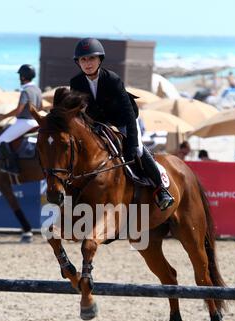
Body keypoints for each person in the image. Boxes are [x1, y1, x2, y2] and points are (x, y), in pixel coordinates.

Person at [70, 38, 174, 211]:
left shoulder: (112, 79)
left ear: (99, 60)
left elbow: (128, 112)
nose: (87, 63)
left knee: (138, 149)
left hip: (125, 119)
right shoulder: (76, 82)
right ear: (78, 62)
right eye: (83, 59)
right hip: (99, 122)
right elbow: (77, 111)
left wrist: (132, 142)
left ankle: (161, 190)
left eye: (91, 59)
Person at [0, 64, 42, 175]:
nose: (19, 78)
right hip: (35, 121)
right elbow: (40, 108)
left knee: (1, 140)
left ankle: (13, 167)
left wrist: (4, 116)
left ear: (23, 77)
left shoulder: (25, 91)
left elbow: (18, 111)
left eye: (20, 76)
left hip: (24, 121)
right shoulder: (38, 90)